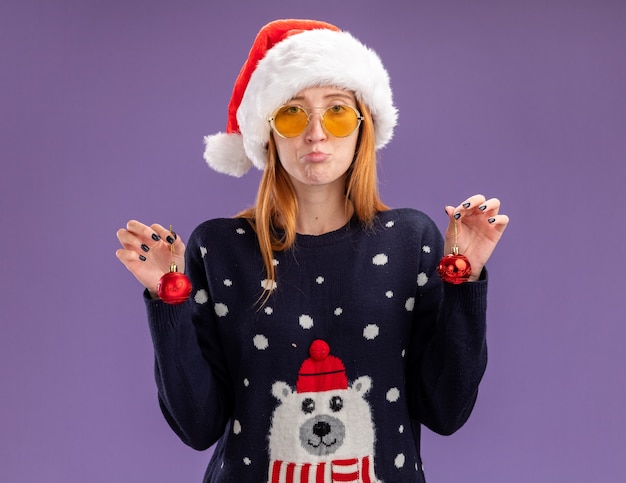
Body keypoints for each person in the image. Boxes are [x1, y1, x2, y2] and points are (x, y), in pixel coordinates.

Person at [116, 19, 509, 483]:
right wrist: (170, 300)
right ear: (268, 133)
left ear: (364, 126)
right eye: (292, 113)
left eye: (337, 111)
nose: (316, 133)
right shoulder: (220, 249)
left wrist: (462, 280)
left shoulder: (411, 241)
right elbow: (197, 425)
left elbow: (446, 410)